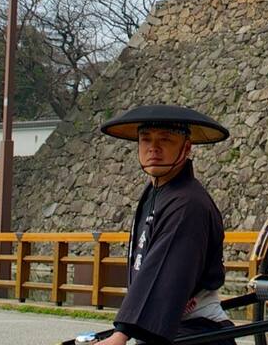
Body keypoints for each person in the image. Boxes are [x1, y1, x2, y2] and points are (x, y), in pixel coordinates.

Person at [93, 105, 236, 345]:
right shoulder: (157, 192)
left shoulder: (189, 204)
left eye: (166, 140)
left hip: (196, 330)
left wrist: (121, 335)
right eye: (145, 139)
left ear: (186, 148)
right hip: (163, 329)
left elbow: (166, 271)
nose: (153, 148)